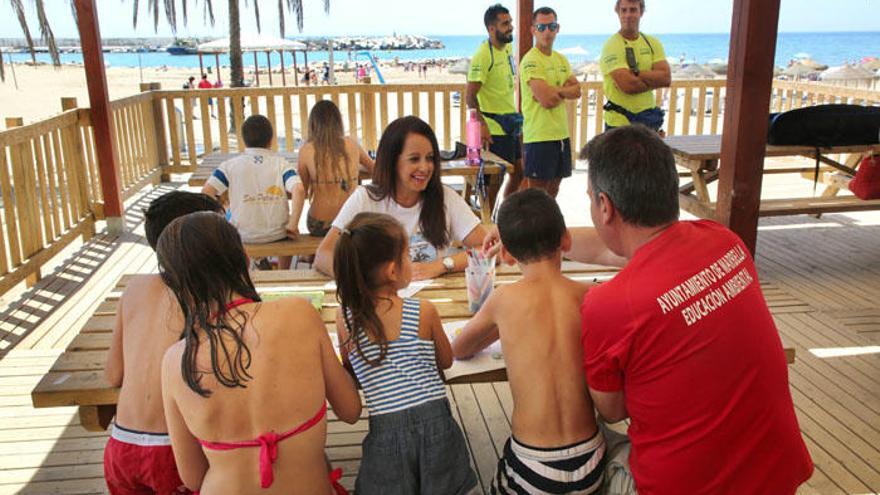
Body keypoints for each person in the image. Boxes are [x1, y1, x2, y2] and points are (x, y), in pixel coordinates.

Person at [503, 125, 809, 493]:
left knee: (575, 453)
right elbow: (619, 251)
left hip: (683, 487)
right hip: (775, 474)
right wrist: (536, 236)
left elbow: (613, 411)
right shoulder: (724, 241)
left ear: (604, 206)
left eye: (590, 199)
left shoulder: (610, 304)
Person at [159, 211, 362, 494]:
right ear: (243, 257)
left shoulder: (175, 362)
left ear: (175, 283)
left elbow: (193, 478)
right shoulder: (298, 314)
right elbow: (351, 410)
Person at [452, 189, 606, 494]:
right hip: (591, 456)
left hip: (532, 464)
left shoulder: (504, 299)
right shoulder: (590, 295)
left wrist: (500, 328)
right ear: (565, 240)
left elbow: (460, 348)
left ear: (506, 255)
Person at [333, 212, 477, 494]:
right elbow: (446, 361)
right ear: (392, 271)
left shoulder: (345, 318)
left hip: (384, 434)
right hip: (439, 426)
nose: (412, 262)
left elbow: (351, 369)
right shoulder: (423, 310)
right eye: (408, 256)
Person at [103, 191, 224, 495]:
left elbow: (113, 375)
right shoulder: (206, 295)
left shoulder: (133, 288)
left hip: (121, 446)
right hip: (175, 451)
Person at [314, 116, 487, 280]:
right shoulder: (365, 199)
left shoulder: (445, 198)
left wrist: (442, 265)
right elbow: (323, 255)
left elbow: (487, 248)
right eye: (414, 159)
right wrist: (365, 281)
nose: (425, 167)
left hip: (430, 299)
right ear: (392, 162)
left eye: (430, 158)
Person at [202, 114, 301, 269]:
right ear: (271, 140)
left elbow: (206, 193)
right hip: (278, 233)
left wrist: (223, 217)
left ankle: (250, 266)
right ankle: (283, 270)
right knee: (286, 222)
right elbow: (299, 189)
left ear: (244, 141)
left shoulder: (230, 165)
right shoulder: (281, 164)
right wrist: (293, 223)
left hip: (242, 235)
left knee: (232, 211)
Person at [519, 7, 581, 198]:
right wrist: (562, 91)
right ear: (533, 30)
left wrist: (555, 90)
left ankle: (547, 228)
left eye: (551, 26)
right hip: (539, 136)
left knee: (553, 191)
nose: (547, 32)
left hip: (560, 135)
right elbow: (547, 100)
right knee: (536, 195)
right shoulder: (530, 60)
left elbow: (577, 90)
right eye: (542, 27)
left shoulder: (561, 59)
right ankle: (530, 228)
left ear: (557, 28)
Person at [466, 3, 524, 201]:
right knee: (494, 179)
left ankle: (504, 215)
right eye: (505, 23)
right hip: (494, 128)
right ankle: (486, 220)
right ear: (492, 29)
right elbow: (470, 96)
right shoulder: (483, 55)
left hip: (510, 124)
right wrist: (481, 126)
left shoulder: (507, 49)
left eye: (510, 22)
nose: (511, 27)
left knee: (519, 171)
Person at [291, 100, 375, 237]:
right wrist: (353, 168)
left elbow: (303, 190)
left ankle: (311, 256)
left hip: (319, 223)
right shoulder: (351, 144)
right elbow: (375, 169)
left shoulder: (306, 150)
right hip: (352, 223)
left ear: (313, 124)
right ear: (338, 122)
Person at [600, 0, 671, 132]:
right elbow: (628, 85)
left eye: (633, 10)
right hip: (619, 124)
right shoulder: (612, 46)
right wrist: (653, 80)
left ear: (641, 12)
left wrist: (636, 73)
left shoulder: (652, 43)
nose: (628, 15)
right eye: (624, 10)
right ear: (617, 12)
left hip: (648, 122)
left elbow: (666, 78)